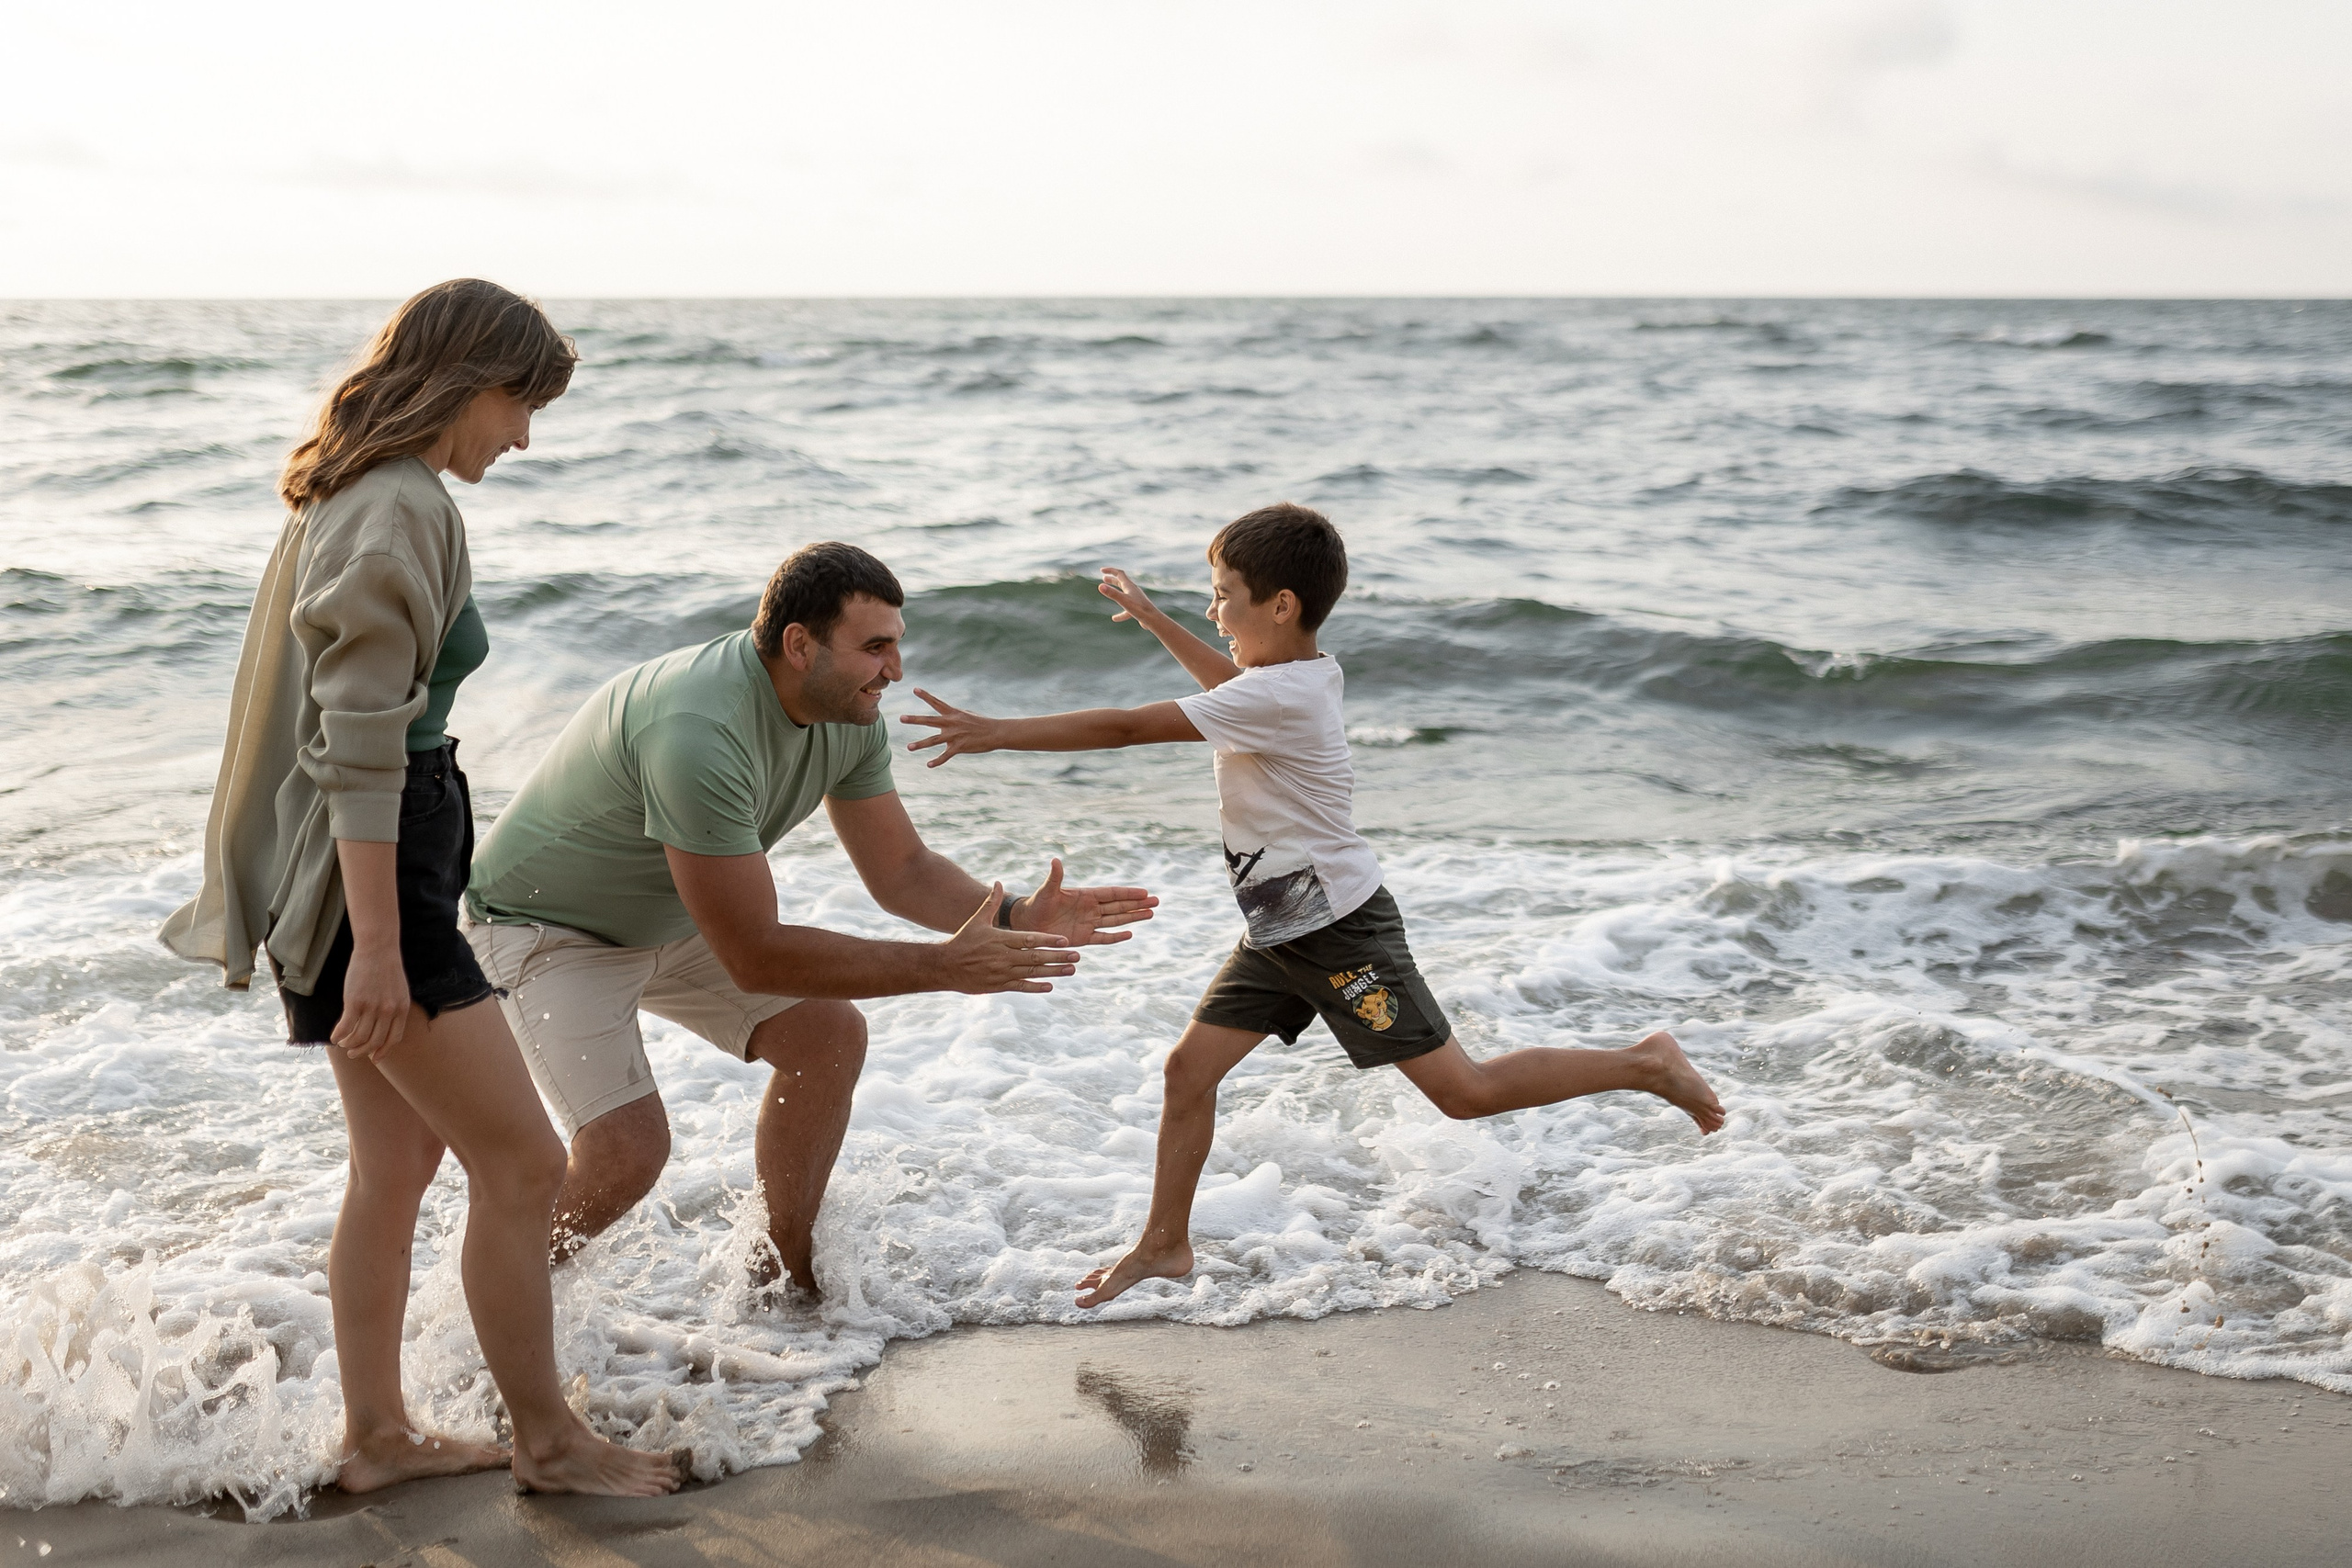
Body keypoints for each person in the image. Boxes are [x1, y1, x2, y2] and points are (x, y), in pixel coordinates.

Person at [902, 502, 1728, 1308]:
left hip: (1336, 930)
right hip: (1280, 930)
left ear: (1281, 604)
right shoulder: (1295, 677)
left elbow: (1126, 726)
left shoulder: (1278, 696)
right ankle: (1164, 1241)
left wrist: (998, 731)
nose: (1214, 609)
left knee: (1463, 1090)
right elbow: (1230, 686)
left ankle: (1645, 1063)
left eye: (1223, 593)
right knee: (1187, 1070)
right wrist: (1155, 620)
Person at [160, 282, 681, 1495]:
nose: (524, 435)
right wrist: (381, 947)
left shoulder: (356, 492)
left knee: (394, 1171)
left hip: (375, 869)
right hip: (371, 879)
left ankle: (378, 1431)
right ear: (462, 381)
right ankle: (550, 1441)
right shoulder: (399, 507)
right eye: (519, 403)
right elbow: (355, 746)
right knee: (527, 1169)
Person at [461, 541, 1158, 1294]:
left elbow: (902, 872)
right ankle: (488, 1314)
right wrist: (943, 968)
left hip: (668, 914)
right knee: (626, 1149)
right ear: (800, 645)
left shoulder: (849, 713)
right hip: (544, 928)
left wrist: (1015, 912)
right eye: (875, 647)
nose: (894, 670)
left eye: (897, 645)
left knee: (827, 1035)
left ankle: (781, 1278)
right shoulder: (699, 729)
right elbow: (755, 956)